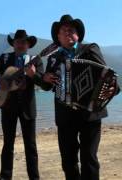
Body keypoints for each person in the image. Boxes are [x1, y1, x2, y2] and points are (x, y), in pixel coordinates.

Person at [42, 14, 120, 180]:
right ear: (58, 36)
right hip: (64, 115)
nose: (68, 33)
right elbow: (48, 86)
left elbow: (107, 75)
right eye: (64, 30)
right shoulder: (53, 58)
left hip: (90, 113)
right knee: (68, 161)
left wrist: (113, 88)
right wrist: (43, 77)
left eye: (72, 30)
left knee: (89, 158)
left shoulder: (90, 49)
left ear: (78, 35)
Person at [0, 29, 43, 180]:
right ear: (13, 44)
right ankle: (5, 177)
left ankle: (34, 178)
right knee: (7, 144)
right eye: (18, 42)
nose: (20, 44)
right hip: (7, 106)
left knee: (31, 146)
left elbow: (42, 82)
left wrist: (33, 75)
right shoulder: (4, 58)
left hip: (28, 107)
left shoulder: (36, 60)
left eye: (23, 42)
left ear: (28, 44)